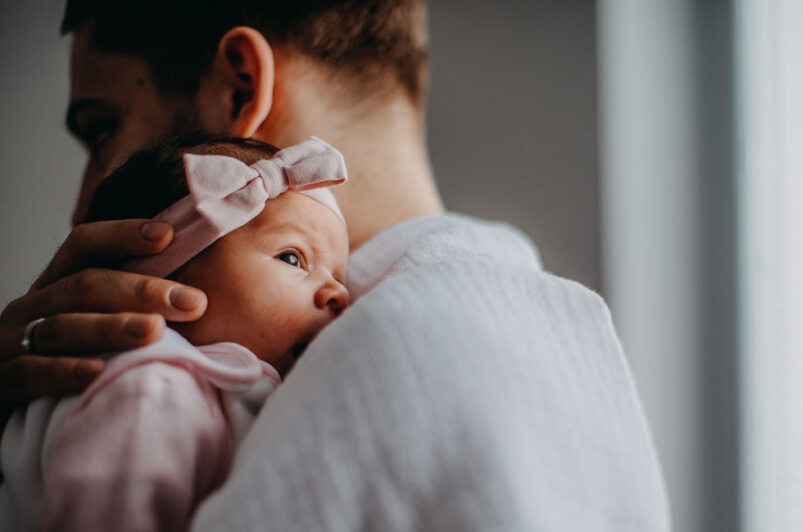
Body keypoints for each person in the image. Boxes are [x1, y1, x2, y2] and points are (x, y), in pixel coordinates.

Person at [0, 1, 671, 529]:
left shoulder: (393, 353)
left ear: (240, 90)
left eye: (101, 129)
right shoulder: (553, 330)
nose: (84, 201)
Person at [0, 134, 351, 532]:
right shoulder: (152, 385)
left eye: (340, 276)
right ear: (168, 285)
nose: (339, 293)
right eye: (293, 257)